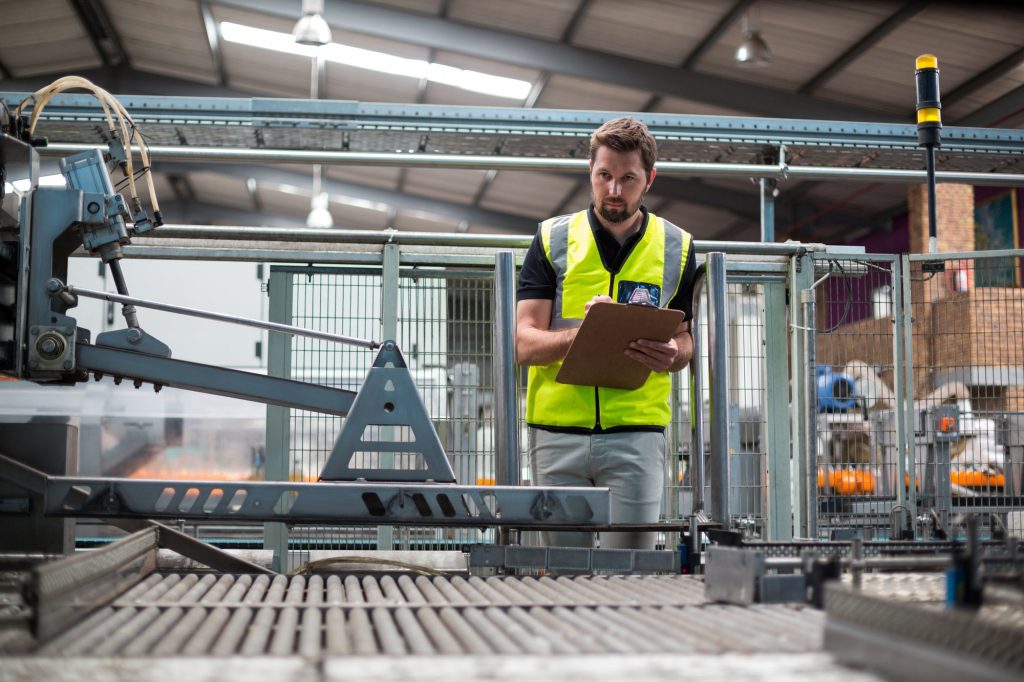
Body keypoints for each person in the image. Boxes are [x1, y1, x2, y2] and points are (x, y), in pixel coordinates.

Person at [516, 117, 697, 550]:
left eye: (628, 178)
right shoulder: (551, 240)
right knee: (564, 576)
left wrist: (673, 353)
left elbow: (687, 338)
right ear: (590, 173)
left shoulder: (678, 247)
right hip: (557, 435)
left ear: (649, 178)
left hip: (637, 435)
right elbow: (524, 342)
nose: (614, 191)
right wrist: (584, 337)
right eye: (604, 176)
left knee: (631, 572)